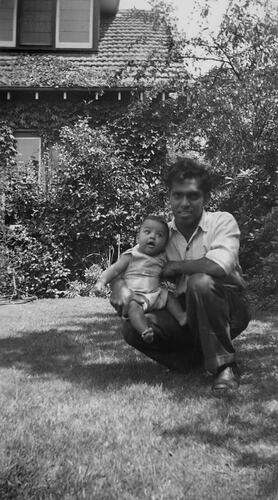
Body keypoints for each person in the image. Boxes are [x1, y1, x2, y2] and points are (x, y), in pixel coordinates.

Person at [110, 157, 251, 395]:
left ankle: (225, 366)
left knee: (201, 281)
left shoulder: (222, 221)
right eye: (177, 195)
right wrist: (117, 284)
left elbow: (218, 267)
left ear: (205, 198)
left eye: (193, 196)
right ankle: (187, 361)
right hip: (184, 311)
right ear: (170, 197)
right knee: (132, 329)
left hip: (228, 307)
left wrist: (176, 267)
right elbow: (132, 261)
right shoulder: (161, 233)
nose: (184, 203)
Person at [95, 215, 187, 343]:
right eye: (147, 232)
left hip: (156, 295)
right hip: (136, 297)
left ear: (165, 243)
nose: (152, 237)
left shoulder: (162, 257)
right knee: (134, 308)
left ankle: (181, 317)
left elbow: (169, 274)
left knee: (169, 296)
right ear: (138, 237)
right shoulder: (132, 255)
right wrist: (102, 281)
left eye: (159, 235)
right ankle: (144, 331)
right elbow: (114, 270)